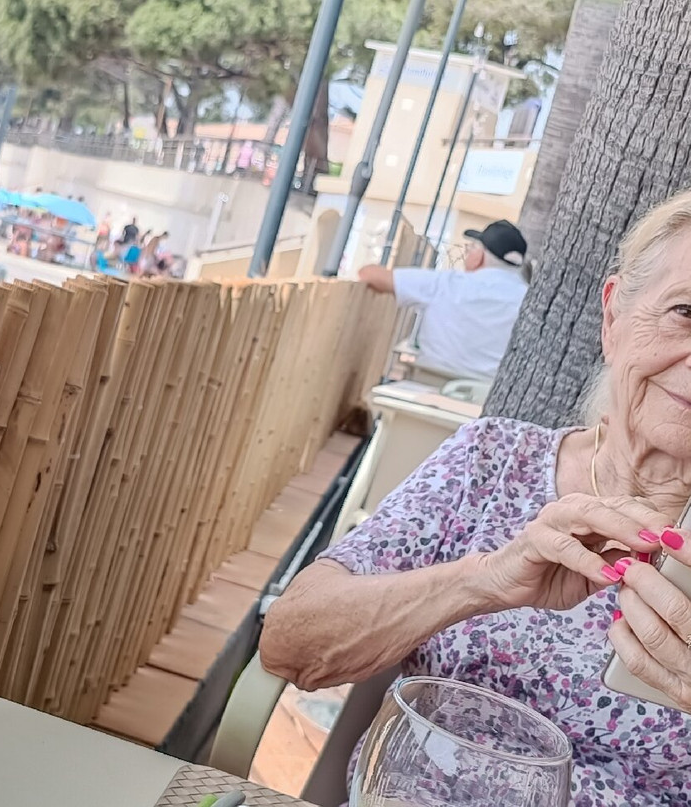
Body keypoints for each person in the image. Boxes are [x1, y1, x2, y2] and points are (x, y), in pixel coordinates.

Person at [261, 191, 691, 805]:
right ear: (614, 316)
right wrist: (482, 581)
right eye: (686, 312)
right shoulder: (492, 461)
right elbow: (289, 645)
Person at [357, 219, 529, 380]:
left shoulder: (447, 284)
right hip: (490, 392)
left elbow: (369, 275)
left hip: (429, 384)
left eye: (470, 248)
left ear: (479, 256)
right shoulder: (527, 300)